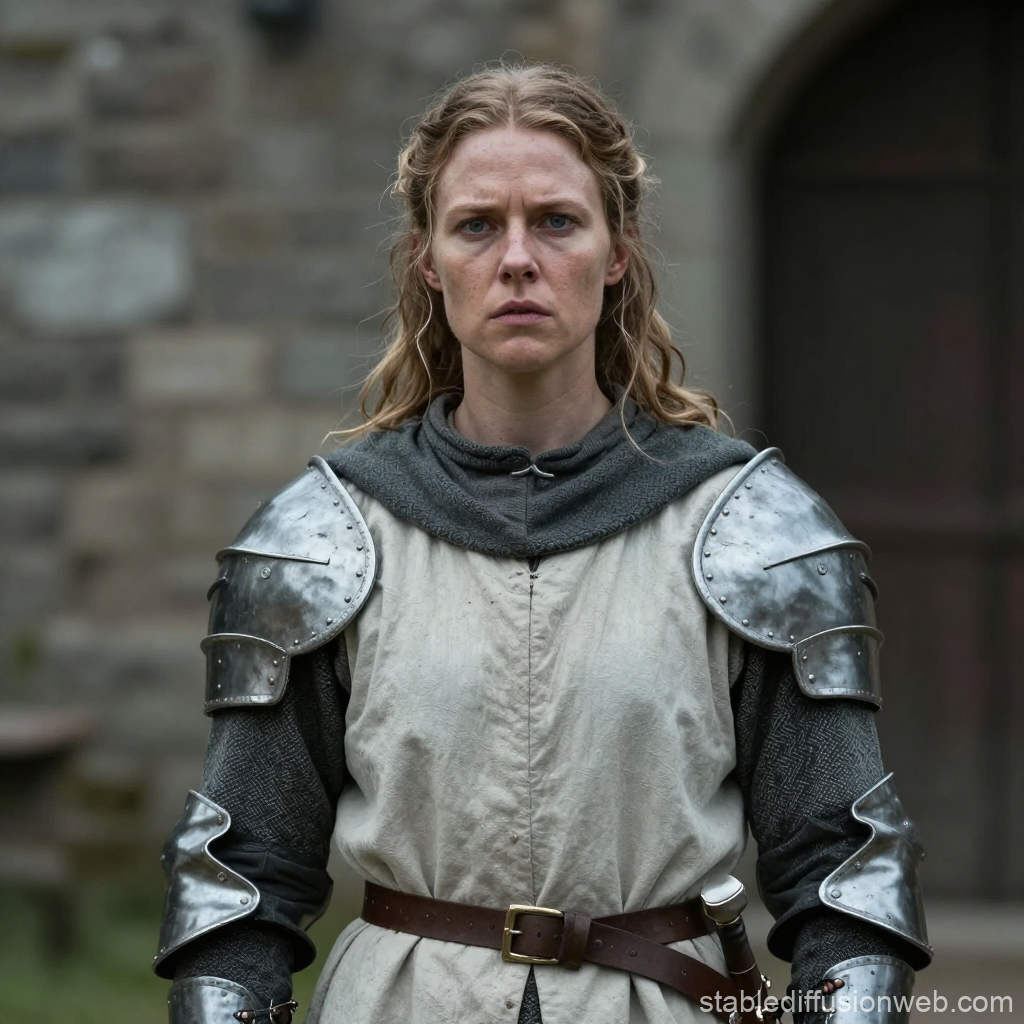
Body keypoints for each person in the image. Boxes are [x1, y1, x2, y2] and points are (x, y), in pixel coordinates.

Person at [155, 63, 931, 1024]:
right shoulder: (326, 540)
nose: (517, 259)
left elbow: (847, 873)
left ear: (616, 253)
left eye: (556, 222)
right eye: (478, 224)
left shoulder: (751, 533)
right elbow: (240, 880)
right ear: (428, 261)